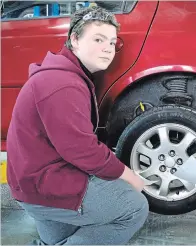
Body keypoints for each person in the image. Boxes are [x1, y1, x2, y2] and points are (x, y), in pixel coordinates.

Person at [6, 6, 149, 245]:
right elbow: (82, 149)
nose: (108, 48)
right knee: (134, 208)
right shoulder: (63, 83)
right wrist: (129, 175)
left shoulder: (63, 74)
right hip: (44, 186)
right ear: (75, 39)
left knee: (61, 239)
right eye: (98, 39)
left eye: (112, 42)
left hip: (33, 182)